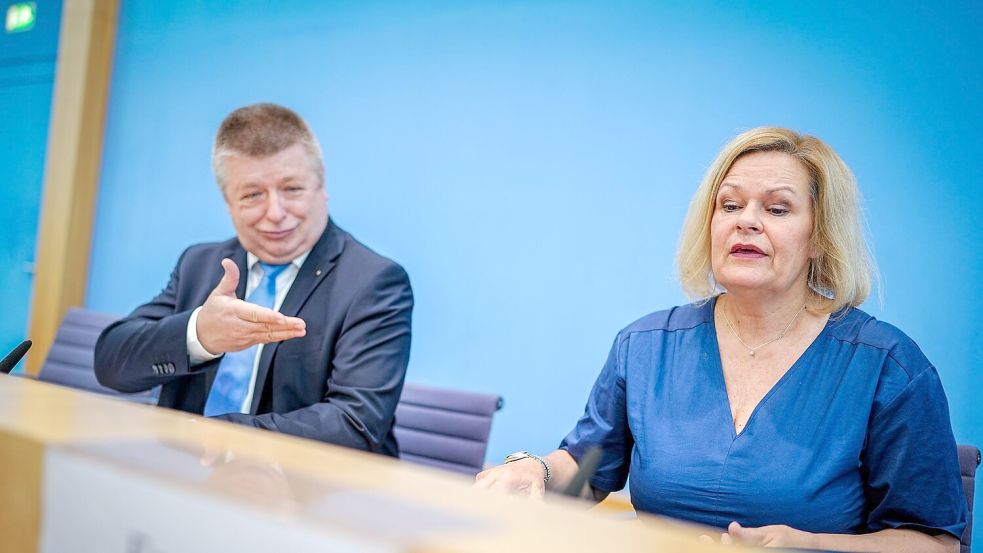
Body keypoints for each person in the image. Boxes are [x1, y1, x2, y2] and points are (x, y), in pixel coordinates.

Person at [475, 127, 967, 551]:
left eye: (776, 209)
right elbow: (587, 468)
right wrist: (534, 471)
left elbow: (933, 541)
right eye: (729, 205)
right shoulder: (646, 345)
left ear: (819, 238)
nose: (745, 220)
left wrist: (811, 545)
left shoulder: (889, 368)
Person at [95, 103, 413, 456]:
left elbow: (355, 424)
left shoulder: (373, 281)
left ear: (321, 186)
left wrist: (212, 435)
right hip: (184, 478)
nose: (275, 214)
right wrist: (199, 335)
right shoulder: (201, 264)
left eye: (292, 189)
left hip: (306, 492)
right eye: (252, 195)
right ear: (228, 202)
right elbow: (111, 363)